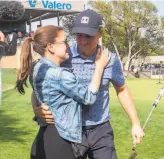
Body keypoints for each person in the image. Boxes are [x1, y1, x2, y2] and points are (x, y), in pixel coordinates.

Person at [32, 9, 144, 159]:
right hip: (70, 133)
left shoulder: (110, 60)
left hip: (101, 129)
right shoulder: (63, 57)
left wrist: (135, 123)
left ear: (100, 33)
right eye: (79, 35)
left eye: (88, 35)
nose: (83, 40)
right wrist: (36, 108)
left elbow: (122, 89)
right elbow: (41, 87)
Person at [16, 25, 110, 159]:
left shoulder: (37, 66)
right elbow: (88, 98)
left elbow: (37, 91)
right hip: (61, 140)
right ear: (51, 47)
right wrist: (99, 67)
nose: (68, 45)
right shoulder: (60, 75)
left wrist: (35, 108)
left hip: (43, 137)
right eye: (64, 42)